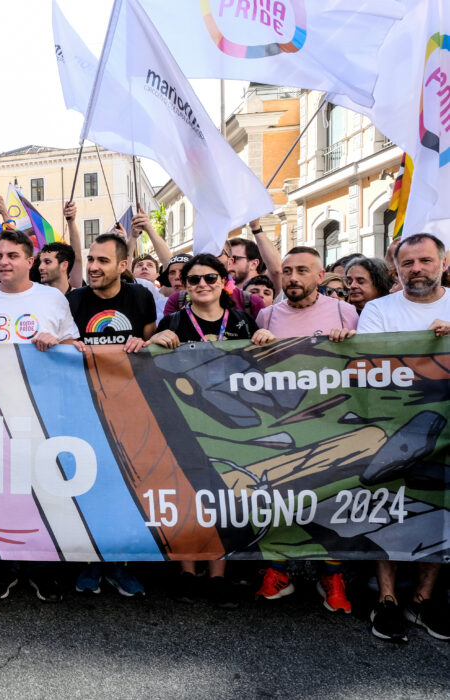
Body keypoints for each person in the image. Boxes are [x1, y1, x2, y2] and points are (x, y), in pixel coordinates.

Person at [144, 253, 275, 607]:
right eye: (194, 279)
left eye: (210, 278)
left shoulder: (244, 321)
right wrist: (157, 341)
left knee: (223, 496)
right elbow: (145, 364)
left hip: (232, 420)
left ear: (223, 282)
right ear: (185, 286)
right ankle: (188, 571)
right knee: (187, 495)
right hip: (183, 416)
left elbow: (264, 368)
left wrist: (265, 338)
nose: (202, 284)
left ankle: (218, 576)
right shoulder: (172, 320)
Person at [0, 230, 78, 603]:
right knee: (4, 492)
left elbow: (75, 346)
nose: (3, 261)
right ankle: (8, 566)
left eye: (12, 255)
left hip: (43, 411)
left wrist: (55, 341)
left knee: (45, 488)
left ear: (31, 262)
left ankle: (42, 569)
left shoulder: (52, 299)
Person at [350, 233, 450, 643]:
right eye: (407, 263)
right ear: (396, 269)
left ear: (443, 263)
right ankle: (387, 599)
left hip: (445, 431)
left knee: (440, 508)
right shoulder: (377, 309)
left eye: (425, 261)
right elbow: (371, 364)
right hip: (391, 426)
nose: (417, 270)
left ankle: (424, 599)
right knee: (386, 508)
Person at [253, 247, 359, 613]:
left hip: (334, 420)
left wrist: (350, 342)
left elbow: (369, 362)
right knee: (282, 497)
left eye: (302, 270)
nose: (293, 278)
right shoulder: (266, 313)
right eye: (287, 271)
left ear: (320, 276)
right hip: (284, 422)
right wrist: (259, 344)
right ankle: (278, 569)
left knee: (333, 498)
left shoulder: (346, 312)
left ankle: (332, 574)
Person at [67, 233, 155, 597]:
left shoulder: (141, 297)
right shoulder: (75, 300)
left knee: (126, 488)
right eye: (90, 259)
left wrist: (146, 344)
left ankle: (120, 563)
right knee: (89, 486)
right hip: (83, 407)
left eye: (102, 260)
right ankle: (90, 561)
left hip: (130, 408)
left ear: (123, 265)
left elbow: (154, 346)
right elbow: (61, 343)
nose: (93, 267)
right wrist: (67, 344)